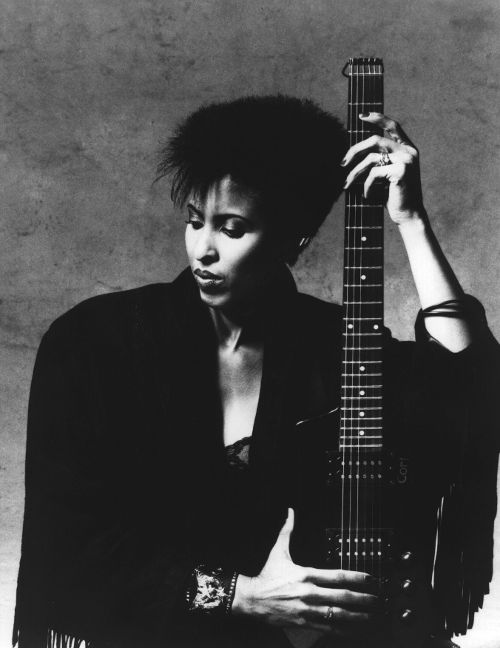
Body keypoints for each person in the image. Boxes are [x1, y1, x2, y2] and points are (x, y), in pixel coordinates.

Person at [13, 95, 499, 648]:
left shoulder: (338, 346)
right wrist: (243, 595)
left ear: (293, 238)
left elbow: (469, 393)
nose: (203, 250)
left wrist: (411, 220)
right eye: (194, 221)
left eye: (232, 228)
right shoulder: (96, 342)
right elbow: (63, 554)